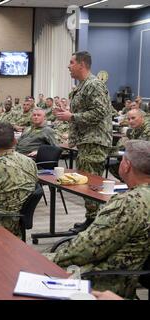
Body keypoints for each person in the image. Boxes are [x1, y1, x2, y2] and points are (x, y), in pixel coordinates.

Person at [49, 140, 150, 299]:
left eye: (122, 160)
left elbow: (86, 249)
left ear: (126, 166)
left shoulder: (129, 203)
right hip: (129, 273)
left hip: (101, 281)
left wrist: (47, 259)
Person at [55, 51, 112, 232]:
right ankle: (91, 220)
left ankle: (95, 225)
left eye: (71, 62)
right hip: (86, 140)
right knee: (87, 183)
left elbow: (99, 112)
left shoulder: (94, 85)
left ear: (82, 64)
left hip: (94, 141)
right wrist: (67, 111)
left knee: (92, 184)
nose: (68, 66)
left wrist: (71, 116)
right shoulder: (83, 86)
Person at [109, 109, 150, 180]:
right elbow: (127, 143)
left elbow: (141, 148)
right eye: (128, 119)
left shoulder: (147, 128)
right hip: (142, 158)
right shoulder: (136, 128)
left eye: (133, 118)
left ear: (142, 117)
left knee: (124, 167)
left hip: (146, 161)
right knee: (114, 166)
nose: (130, 121)